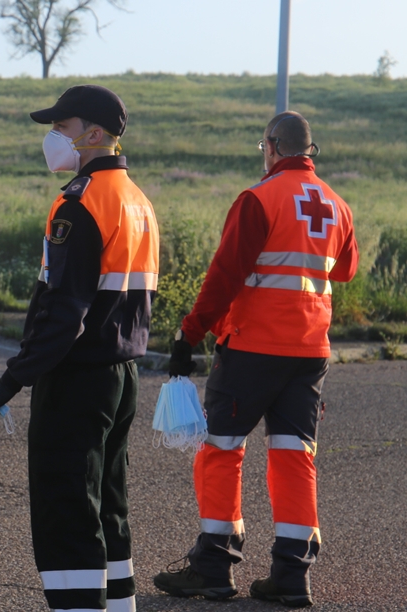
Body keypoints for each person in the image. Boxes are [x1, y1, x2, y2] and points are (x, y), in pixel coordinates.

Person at [153, 111, 357, 608]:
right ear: (309, 151)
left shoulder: (258, 199)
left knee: (221, 449)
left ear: (271, 146)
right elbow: (345, 271)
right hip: (309, 352)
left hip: (251, 348)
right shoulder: (337, 205)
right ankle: (292, 574)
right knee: (294, 455)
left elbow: (224, 277)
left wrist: (189, 334)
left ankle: (213, 566)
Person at [0, 85, 159, 612]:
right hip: (121, 375)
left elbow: (64, 312)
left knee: (68, 507)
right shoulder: (137, 199)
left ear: (94, 135)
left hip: (77, 379)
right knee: (107, 504)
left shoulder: (80, 204)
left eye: (63, 127)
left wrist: (10, 381)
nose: (54, 137)